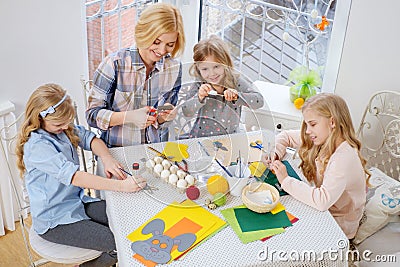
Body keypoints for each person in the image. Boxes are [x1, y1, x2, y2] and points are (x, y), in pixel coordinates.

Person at [16, 84, 147, 267]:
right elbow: (75, 177)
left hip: (77, 203)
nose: (64, 127)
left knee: (125, 220)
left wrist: (106, 157)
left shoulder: (62, 129)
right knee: (118, 242)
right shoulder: (38, 146)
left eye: (66, 122)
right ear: (40, 119)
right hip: (55, 220)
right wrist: (121, 186)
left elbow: (90, 139)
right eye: (58, 124)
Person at [263, 93, 369, 239]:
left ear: (332, 122)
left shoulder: (344, 157)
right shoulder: (324, 138)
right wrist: (276, 153)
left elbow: (322, 201)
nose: (307, 130)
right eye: (307, 124)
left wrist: (286, 180)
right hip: (326, 210)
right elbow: (285, 136)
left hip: (338, 225)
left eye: (312, 124)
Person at [86, 2, 185, 147]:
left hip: (155, 151)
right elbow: (92, 116)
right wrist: (128, 117)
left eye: (170, 44)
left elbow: (162, 119)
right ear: (144, 33)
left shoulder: (174, 69)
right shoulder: (115, 64)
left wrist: (165, 117)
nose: (162, 50)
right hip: (116, 152)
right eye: (156, 42)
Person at [181, 35, 264, 138]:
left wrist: (237, 96)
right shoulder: (200, 84)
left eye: (216, 66)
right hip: (201, 137)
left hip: (230, 138)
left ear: (225, 63)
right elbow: (186, 111)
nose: (211, 74)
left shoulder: (235, 81)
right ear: (198, 68)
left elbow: (259, 101)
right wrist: (199, 97)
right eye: (205, 69)